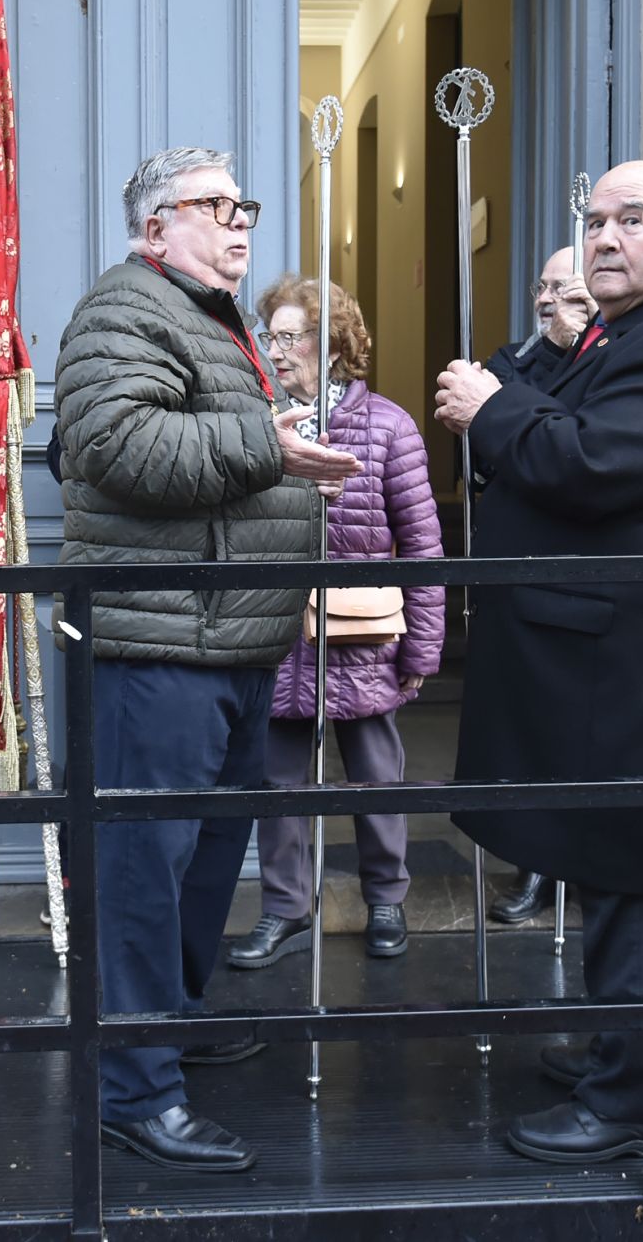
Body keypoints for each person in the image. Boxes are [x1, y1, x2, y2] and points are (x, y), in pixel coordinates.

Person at [434, 160, 643, 1164]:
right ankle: (624, 1054)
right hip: (600, 661)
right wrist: (513, 396)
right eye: (595, 221)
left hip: (639, 667)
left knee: (635, 875)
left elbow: (584, 465)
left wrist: (491, 409)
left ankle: (633, 1102)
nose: (607, 238)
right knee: (613, 868)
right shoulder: (632, 333)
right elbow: (563, 428)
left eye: (633, 219)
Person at [52, 146, 360, 1174]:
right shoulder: (123, 311)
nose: (239, 224)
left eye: (245, 207)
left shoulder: (214, 321)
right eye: (213, 207)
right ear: (155, 229)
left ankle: (170, 1019)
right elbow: (118, 447)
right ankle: (135, 1090)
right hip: (158, 644)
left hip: (227, 639)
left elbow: (226, 446)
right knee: (144, 865)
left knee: (203, 858)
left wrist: (278, 464)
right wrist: (272, 449)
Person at [225, 276, 446, 969]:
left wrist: (422, 649)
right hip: (274, 634)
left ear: (333, 345)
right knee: (277, 784)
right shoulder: (255, 424)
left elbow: (423, 546)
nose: (277, 350)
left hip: (361, 634)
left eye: (291, 337)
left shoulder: (387, 425)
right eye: (272, 336)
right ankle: (286, 909)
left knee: (376, 776)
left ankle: (386, 899)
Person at [480, 245, 599, 926]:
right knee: (528, 735)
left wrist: (585, 342)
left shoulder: (611, 357)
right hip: (520, 573)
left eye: (566, 287)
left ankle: (581, 862)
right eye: (542, 286)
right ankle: (532, 869)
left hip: (584, 573)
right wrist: (561, 350)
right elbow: (516, 441)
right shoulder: (508, 365)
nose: (550, 299)